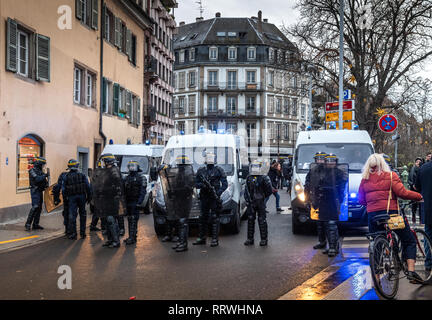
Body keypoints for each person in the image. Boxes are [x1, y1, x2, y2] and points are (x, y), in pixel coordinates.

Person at [358, 153, 424, 284]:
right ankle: (411, 271)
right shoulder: (391, 176)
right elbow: (402, 193)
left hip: (373, 216)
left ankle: (376, 280)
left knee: (377, 244)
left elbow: (361, 200)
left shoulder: (364, 179)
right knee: (409, 240)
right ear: (383, 164)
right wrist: (418, 196)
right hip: (391, 215)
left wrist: (372, 205)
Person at [160, 155, 195, 252]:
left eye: (181, 165)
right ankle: (181, 241)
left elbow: (188, 188)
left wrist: (176, 192)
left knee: (183, 222)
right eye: (179, 165)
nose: (180, 167)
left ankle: (184, 244)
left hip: (185, 200)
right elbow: (173, 185)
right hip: (179, 200)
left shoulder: (189, 174)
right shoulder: (178, 174)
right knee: (180, 221)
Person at [194, 151, 228, 247]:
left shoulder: (219, 170)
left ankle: (214, 239)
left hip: (214, 197)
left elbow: (225, 184)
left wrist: (218, 192)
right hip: (204, 196)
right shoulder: (201, 171)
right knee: (202, 218)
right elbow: (196, 184)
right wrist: (203, 185)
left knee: (214, 217)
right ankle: (201, 238)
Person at [92, 154, 124, 248]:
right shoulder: (107, 171)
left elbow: (116, 185)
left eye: (103, 161)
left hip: (112, 199)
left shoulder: (114, 171)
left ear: (107, 162)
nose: (102, 163)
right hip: (106, 199)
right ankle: (110, 240)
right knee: (106, 220)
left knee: (111, 219)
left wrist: (106, 189)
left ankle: (116, 241)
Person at [244, 159, 273, 246]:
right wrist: (248, 200)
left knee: (262, 220)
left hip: (260, 202)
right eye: (253, 166)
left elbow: (269, 190)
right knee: (250, 220)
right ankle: (250, 239)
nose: (255, 168)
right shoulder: (249, 177)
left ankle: (264, 239)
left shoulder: (264, 177)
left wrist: (263, 197)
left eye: (256, 167)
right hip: (251, 202)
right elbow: (246, 190)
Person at [62, 159, 91, 240]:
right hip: (82, 197)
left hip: (71, 198)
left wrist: (65, 199)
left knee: (72, 215)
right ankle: (83, 233)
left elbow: (63, 189)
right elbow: (88, 187)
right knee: (83, 215)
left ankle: (74, 234)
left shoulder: (66, 176)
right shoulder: (82, 175)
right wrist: (89, 197)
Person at [304, 152, 328, 251]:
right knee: (319, 223)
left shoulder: (329, 170)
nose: (319, 161)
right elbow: (307, 186)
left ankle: (332, 245)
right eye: (318, 159)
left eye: (321, 159)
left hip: (327, 200)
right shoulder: (312, 170)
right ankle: (321, 241)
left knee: (329, 224)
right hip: (316, 200)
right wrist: (307, 199)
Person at [123, 161, 147, 245]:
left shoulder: (141, 177)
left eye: (133, 166)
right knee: (130, 219)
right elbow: (124, 191)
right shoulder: (126, 178)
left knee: (133, 219)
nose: (131, 168)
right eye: (130, 166)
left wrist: (139, 202)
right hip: (128, 202)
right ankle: (132, 236)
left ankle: (132, 238)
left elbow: (143, 191)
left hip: (135, 202)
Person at [415, 157, 432, 274]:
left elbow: (416, 187)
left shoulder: (424, 168)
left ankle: (428, 263)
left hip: (428, 208)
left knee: (428, 236)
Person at [25, 157, 49, 231]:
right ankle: (28, 224)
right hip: (35, 191)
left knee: (39, 208)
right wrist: (45, 175)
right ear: (39, 164)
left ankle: (35, 224)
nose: (43, 166)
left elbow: (43, 181)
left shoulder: (40, 171)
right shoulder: (32, 170)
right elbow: (37, 179)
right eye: (42, 164)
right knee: (35, 207)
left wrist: (46, 184)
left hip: (40, 191)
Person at [53, 168, 70, 235]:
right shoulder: (80, 175)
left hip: (66, 198)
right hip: (75, 198)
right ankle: (77, 231)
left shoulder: (63, 175)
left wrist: (56, 199)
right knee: (74, 213)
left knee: (66, 212)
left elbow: (57, 187)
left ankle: (67, 229)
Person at [409, 157, 423, 224]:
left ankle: (421, 219)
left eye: (419, 162)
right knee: (414, 205)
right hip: (413, 190)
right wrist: (413, 185)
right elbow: (409, 179)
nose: (418, 163)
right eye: (417, 162)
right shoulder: (412, 169)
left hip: (420, 190)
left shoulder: (422, 169)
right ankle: (413, 217)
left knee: (421, 205)